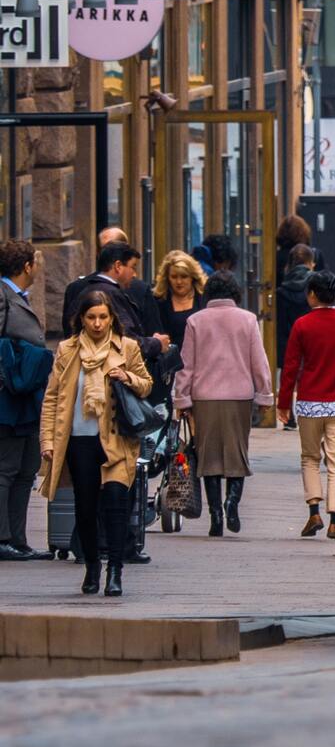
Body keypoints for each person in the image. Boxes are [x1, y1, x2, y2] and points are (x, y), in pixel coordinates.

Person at [38, 290, 152, 596]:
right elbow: (52, 398)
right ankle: (92, 566)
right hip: (79, 441)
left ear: (112, 317)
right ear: (81, 319)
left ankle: (115, 571)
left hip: (116, 441)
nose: (98, 323)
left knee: (116, 506)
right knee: (85, 510)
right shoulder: (67, 350)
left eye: (103, 317)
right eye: (91, 317)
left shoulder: (126, 347)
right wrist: (48, 439)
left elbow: (146, 385)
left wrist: (127, 376)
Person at [173, 272, 273, 538]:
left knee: (209, 458)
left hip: (204, 397)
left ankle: (215, 514)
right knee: (237, 453)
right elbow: (258, 361)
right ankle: (232, 503)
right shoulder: (248, 320)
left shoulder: (195, 321)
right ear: (235, 293)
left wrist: (181, 398)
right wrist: (264, 394)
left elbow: (187, 364)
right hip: (239, 396)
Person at [278, 271, 335, 541]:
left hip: (308, 402)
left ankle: (314, 512)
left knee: (309, 458)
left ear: (313, 295)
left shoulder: (302, 325)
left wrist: (283, 404)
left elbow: (291, 367)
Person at [0, 240, 51, 561]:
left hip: (27, 397)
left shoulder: (20, 297)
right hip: (8, 398)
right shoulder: (3, 297)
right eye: (36, 261)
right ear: (27, 266)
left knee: (26, 468)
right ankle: (3, 538)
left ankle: (19, 539)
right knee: (6, 468)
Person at [275, 243, 318, 375]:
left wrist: (282, 360)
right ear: (310, 262)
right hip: (313, 349)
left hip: (289, 349)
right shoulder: (317, 286)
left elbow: (281, 329)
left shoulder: (281, 292)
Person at [154, 249, 207, 352]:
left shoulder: (204, 299)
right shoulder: (159, 302)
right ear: (167, 278)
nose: (179, 282)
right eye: (174, 277)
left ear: (192, 277)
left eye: (184, 277)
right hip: (171, 362)